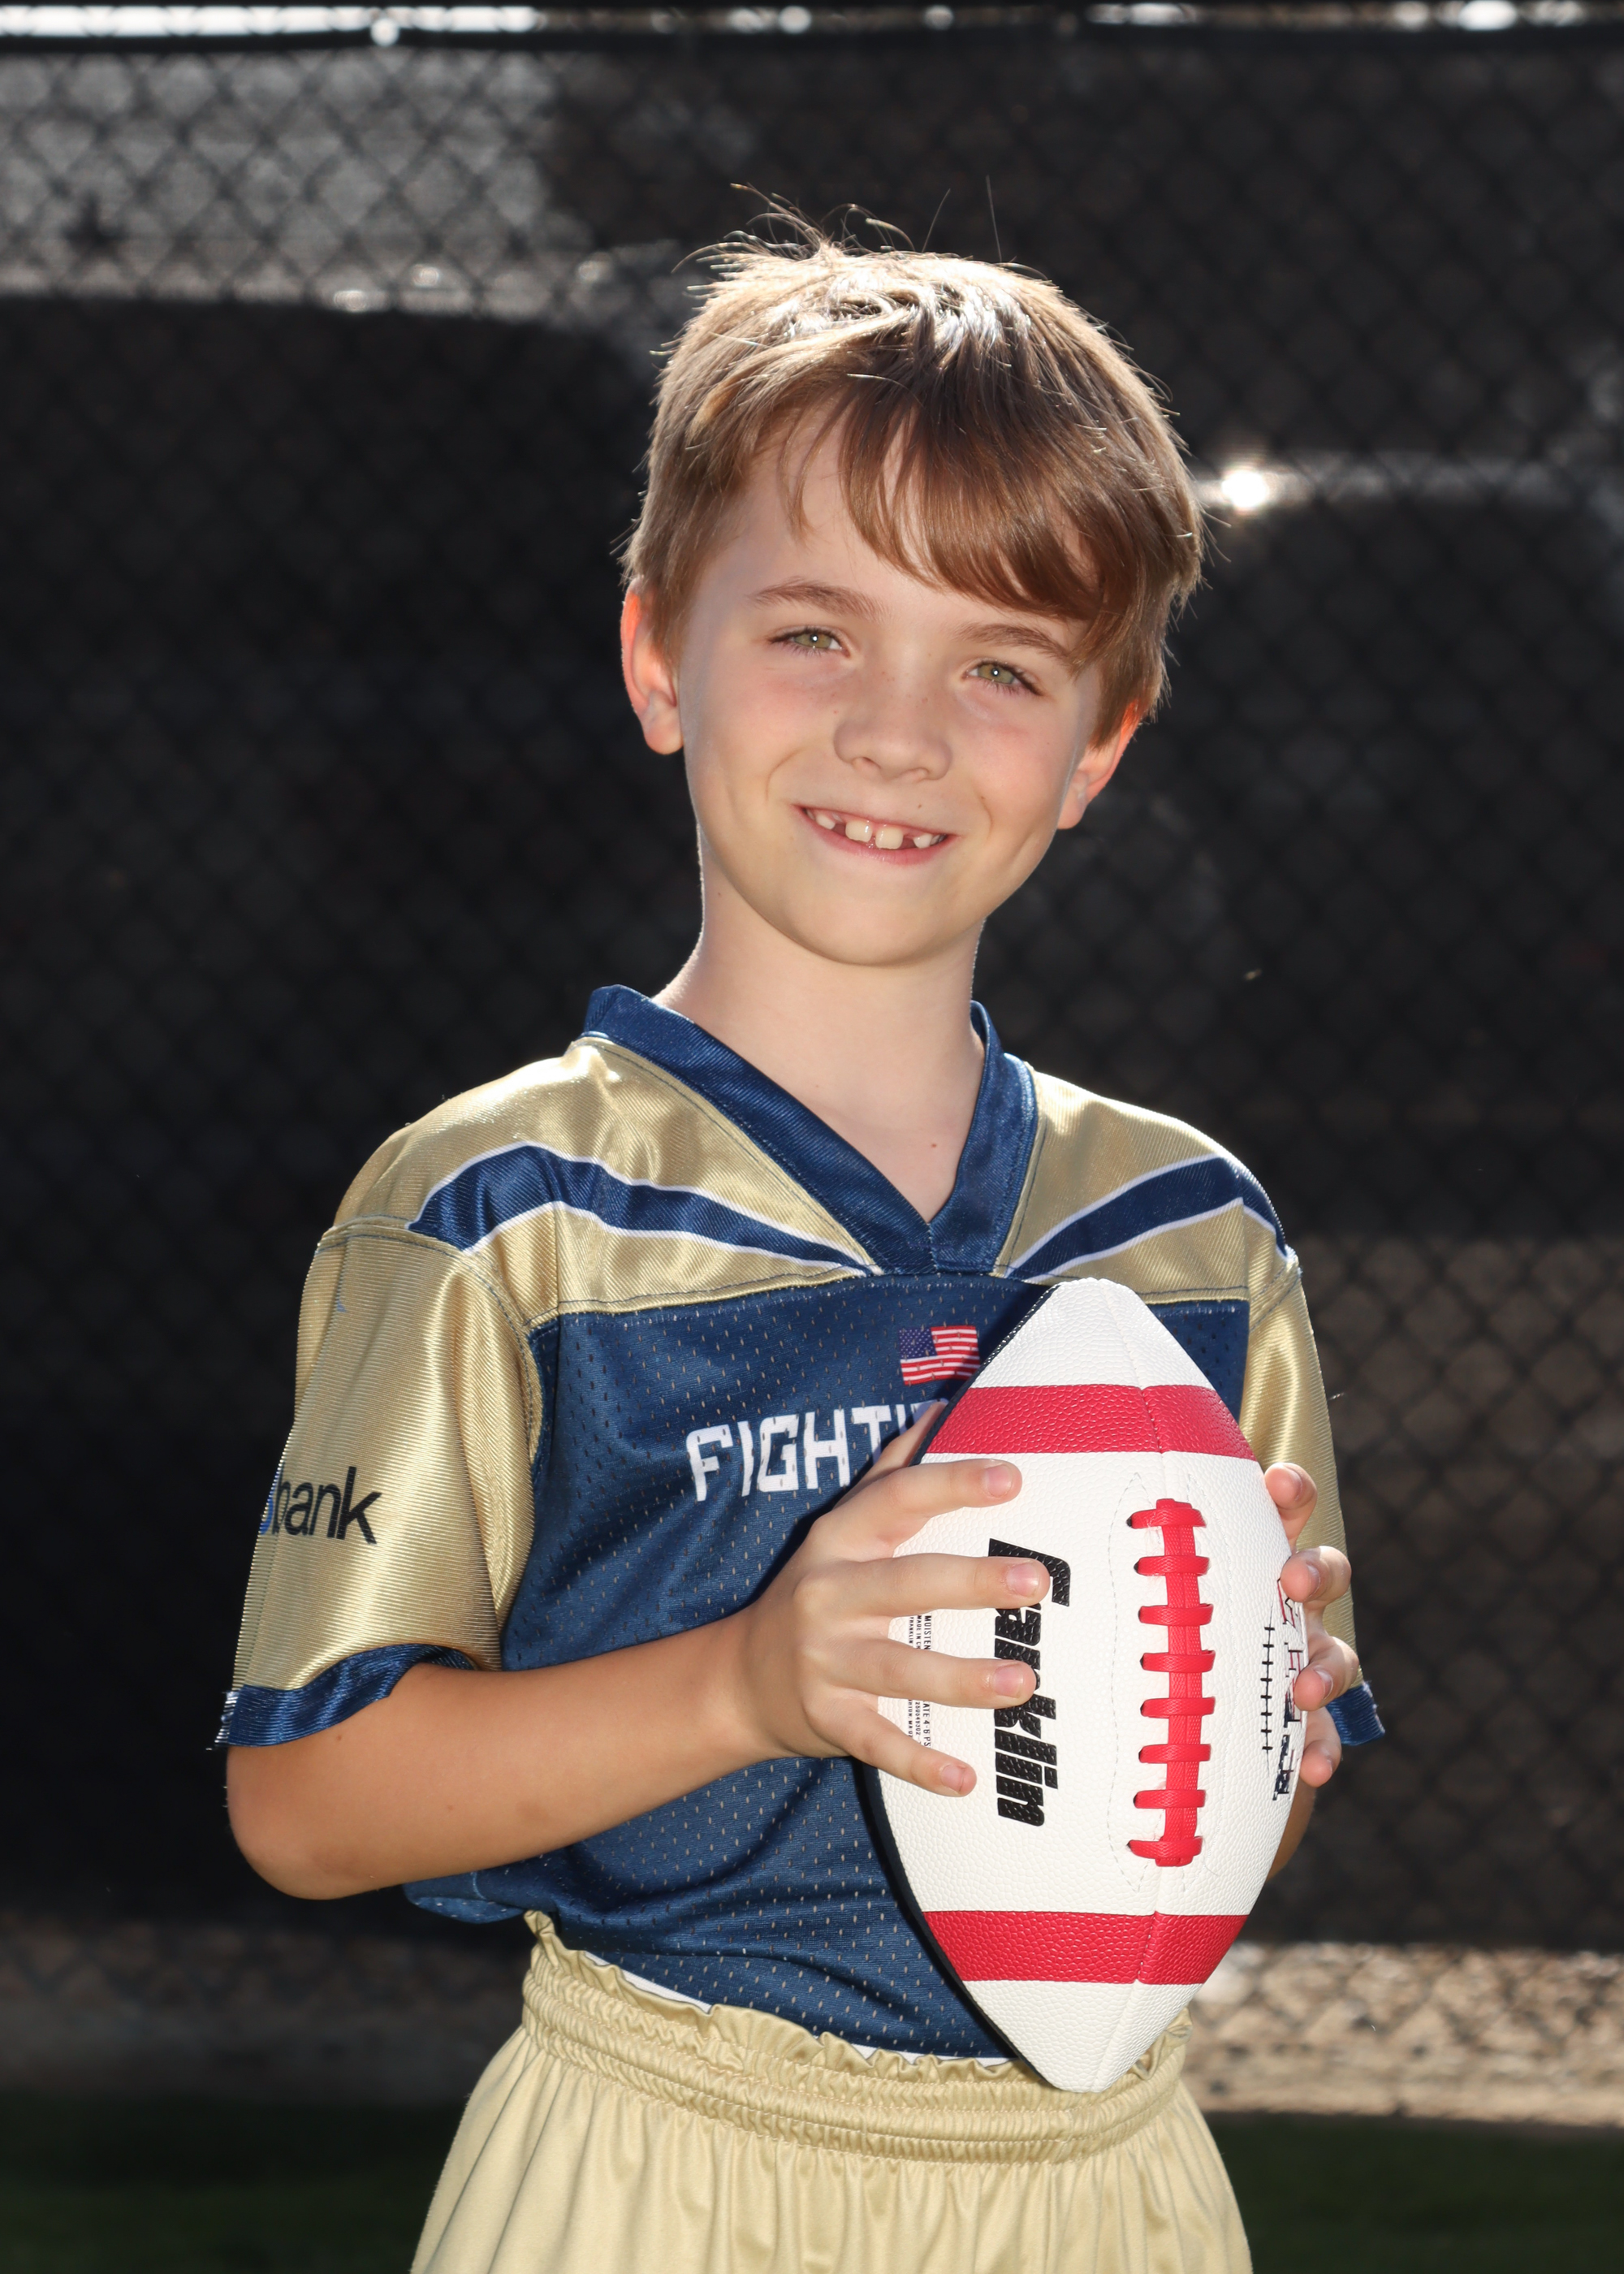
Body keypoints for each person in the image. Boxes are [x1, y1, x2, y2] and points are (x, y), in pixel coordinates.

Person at [223, 230, 1380, 2274]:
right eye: (817, 631)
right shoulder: (505, 1209)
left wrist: (1258, 1718)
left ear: (1098, 744)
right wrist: (752, 1681)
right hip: (661, 2156)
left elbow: (1232, 1830)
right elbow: (309, 1801)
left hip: (1101, 2178)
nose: (898, 729)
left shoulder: (1186, 1235)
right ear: (659, 654)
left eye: (999, 664)